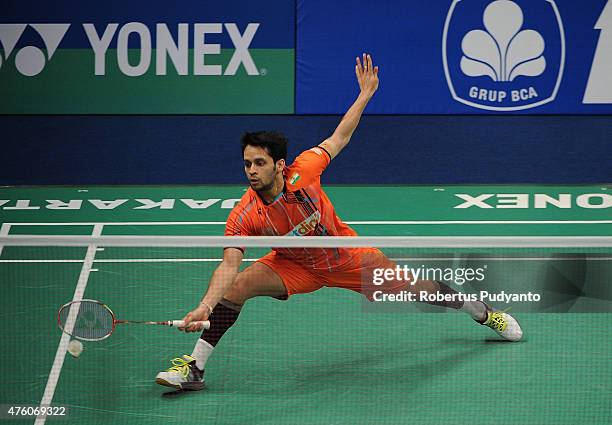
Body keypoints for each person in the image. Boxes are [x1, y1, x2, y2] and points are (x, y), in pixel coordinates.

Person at [155, 54, 523, 391]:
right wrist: (205, 304)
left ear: (280, 165)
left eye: (260, 163)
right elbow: (229, 263)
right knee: (237, 287)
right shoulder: (245, 214)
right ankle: (195, 369)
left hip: (347, 257)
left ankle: (484, 313)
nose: (251, 171)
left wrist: (364, 95)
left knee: (419, 289)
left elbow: (340, 136)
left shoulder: (306, 172)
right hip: (294, 264)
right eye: (247, 163)